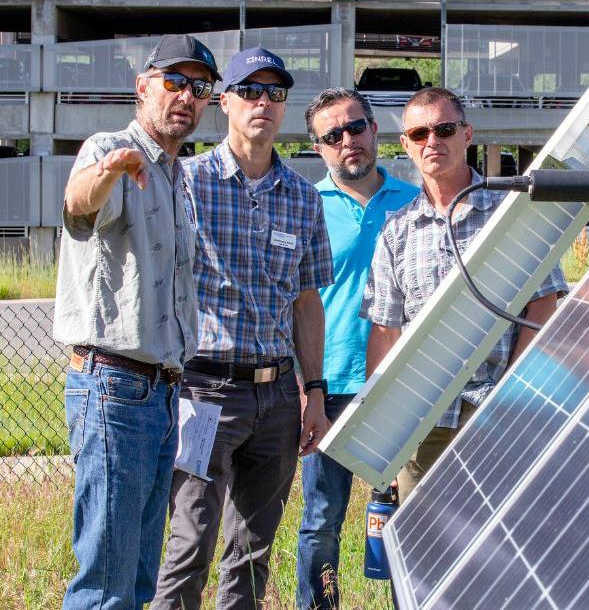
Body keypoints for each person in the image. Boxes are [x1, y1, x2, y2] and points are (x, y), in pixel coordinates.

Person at [152, 47, 334, 609]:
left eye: (275, 94)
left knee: (254, 551)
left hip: (277, 398)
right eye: (250, 91)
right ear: (224, 101)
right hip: (204, 389)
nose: (263, 103)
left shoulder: (303, 197)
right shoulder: (187, 182)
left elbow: (307, 303)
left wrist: (314, 393)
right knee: (191, 542)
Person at [53, 34, 218, 609]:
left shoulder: (178, 176)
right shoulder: (112, 149)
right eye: (174, 82)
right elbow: (78, 202)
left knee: (139, 577)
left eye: (199, 88)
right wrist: (109, 169)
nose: (187, 98)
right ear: (142, 86)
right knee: (106, 583)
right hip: (114, 387)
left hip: (164, 393)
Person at [362, 87, 568, 502]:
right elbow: (386, 331)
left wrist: (511, 393)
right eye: (419, 134)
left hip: (497, 411)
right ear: (405, 145)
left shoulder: (510, 214)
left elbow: (542, 305)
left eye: (444, 129)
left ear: (467, 134)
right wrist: (378, 432)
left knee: (500, 540)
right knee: (424, 543)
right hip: (421, 418)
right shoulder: (396, 231)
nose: (432, 141)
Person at [296, 88, 419, 609]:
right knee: (322, 521)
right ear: (318, 148)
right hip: (329, 389)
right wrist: (308, 392)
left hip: (400, 386)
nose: (348, 141)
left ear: (375, 130)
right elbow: (293, 305)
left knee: (406, 518)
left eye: (357, 127)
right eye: (333, 135)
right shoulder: (305, 206)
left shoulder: (414, 201)